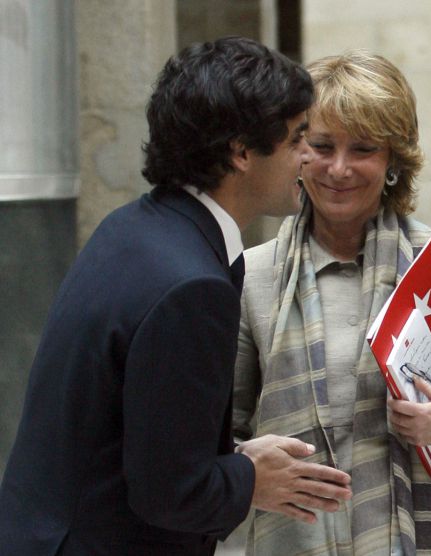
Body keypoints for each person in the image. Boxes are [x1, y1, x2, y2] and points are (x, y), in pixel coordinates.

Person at [0, 37, 354, 555]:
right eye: (298, 138)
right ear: (241, 152)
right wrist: (251, 479)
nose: (310, 157)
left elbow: (136, 431)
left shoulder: (135, 226)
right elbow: (172, 494)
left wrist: (235, 457)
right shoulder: (191, 286)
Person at [233, 51, 431, 556]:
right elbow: (221, 436)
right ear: (296, 153)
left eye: (362, 149)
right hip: (294, 539)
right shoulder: (254, 275)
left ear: (393, 161)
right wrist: (248, 462)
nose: (339, 169)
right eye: (320, 145)